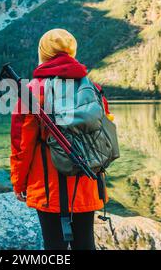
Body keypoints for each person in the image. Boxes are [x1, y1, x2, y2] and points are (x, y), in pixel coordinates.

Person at [10, 29, 112, 250]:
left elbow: (21, 145)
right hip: (87, 181)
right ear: (72, 51)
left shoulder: (32, 91)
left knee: (53, 246)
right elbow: (105, 133)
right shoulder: (92, 89)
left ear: (43, 53)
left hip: (49, 188)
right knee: (85, 244)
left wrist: (19, 182)